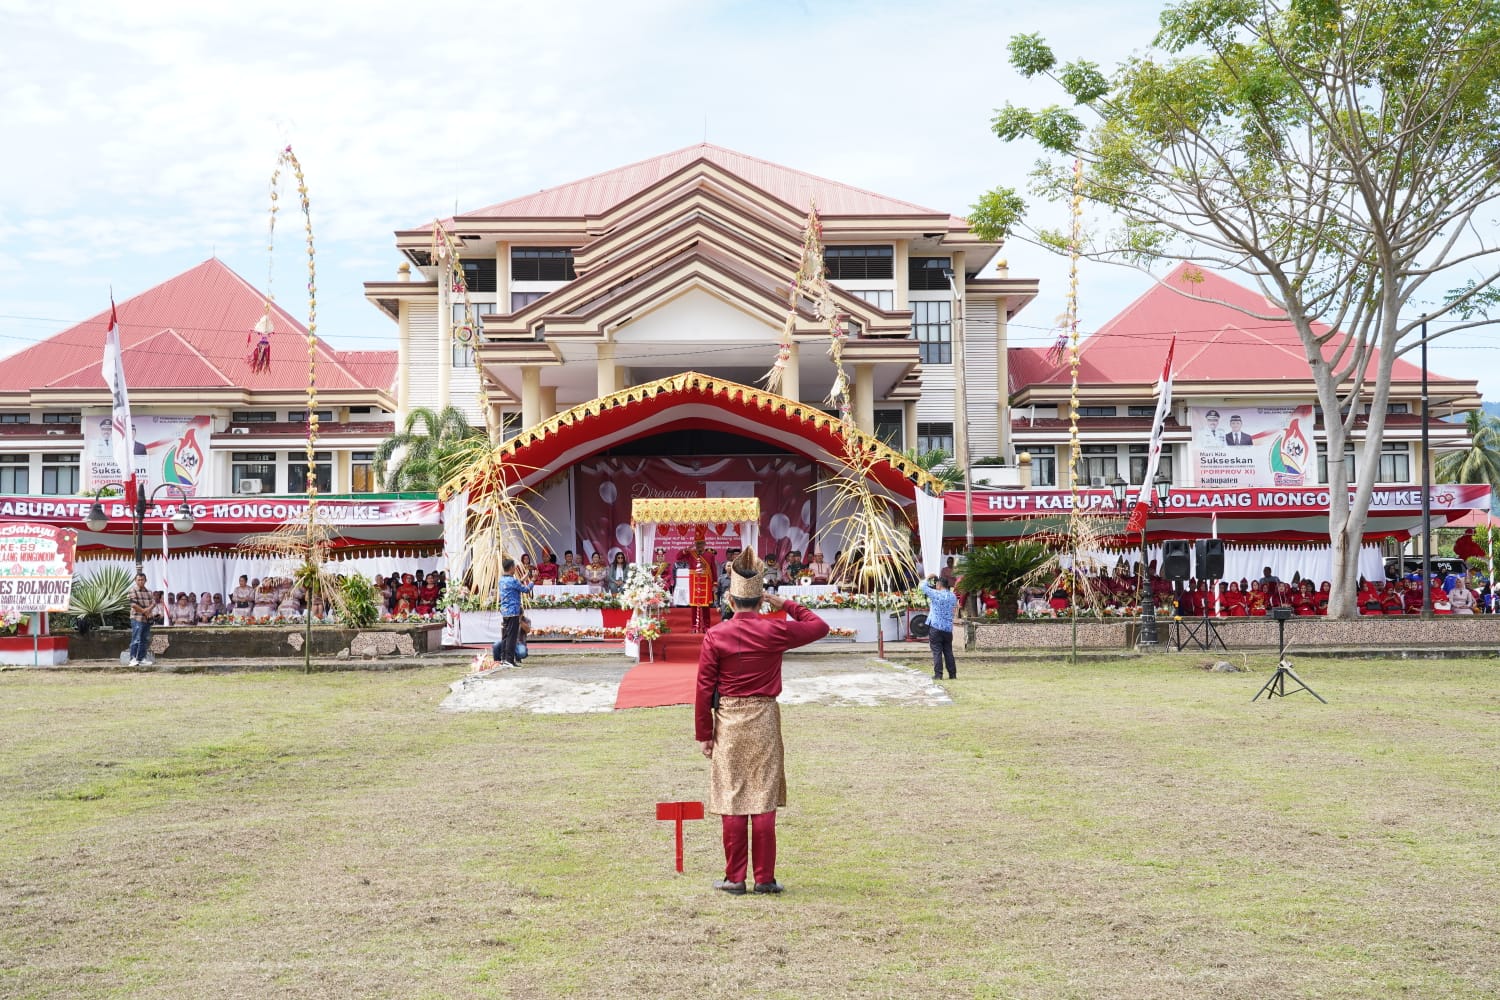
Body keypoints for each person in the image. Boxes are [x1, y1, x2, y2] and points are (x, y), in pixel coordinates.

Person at [695, 548, 829, 896]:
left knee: (732, 797)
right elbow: (819, 626)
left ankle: (735, 878)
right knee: (763, 797)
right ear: (759, 600)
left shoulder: (717, 635)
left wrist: (704, 734)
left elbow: (703, 688)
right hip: (765, 718)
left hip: (729, 720)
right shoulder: (775, 631)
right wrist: (784, 604)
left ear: (730, 598)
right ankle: (765, 878)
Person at [492, 557, 533, 668]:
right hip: (514, 611)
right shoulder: (513, 581)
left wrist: (523, 579)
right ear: (511, 568)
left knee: (505, 636)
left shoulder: (502, 580)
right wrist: (532, 581)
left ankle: (504, 658)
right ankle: (510, 660)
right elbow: (526, 590)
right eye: (514, 567)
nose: (515, 568)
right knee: (512, 637)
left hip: (505, 611)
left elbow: (513, 586)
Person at [921, 574, 959, 680]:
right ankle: (952, 674)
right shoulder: (953, 596)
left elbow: (922, 587)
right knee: (948, 651)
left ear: (938, 585)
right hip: (947, 628)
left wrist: (928, 577)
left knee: (937, 651)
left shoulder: (936, 594)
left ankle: (938, 674)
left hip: (936, 627)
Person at [687, 532, 717, 633]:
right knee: (694, 606)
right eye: (697, 544)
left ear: (704, 544)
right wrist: (685, 550)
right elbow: (678, 557)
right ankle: (695, 627)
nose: (699, 546)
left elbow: (713, 569)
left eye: (701, 544)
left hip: (706, 582)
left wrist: (715, 583)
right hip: (694, 582)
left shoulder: (709, 555)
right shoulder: (690, 554)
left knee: (706, 606)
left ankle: (706, 626)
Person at [127, 572, 154, 666]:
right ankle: (132, 659)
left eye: (142, 579)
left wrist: (147, 611)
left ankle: (141, 658)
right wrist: (145, 611)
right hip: (136, 618)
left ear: (146, 580)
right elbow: (133, 605)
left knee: (144, 639)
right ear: (135, 580)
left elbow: (153, 603)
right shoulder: (132, 590)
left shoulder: (149, 591)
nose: (140, 581)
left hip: (146, 619)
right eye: (138, 580)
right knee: (136, 639)